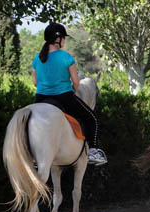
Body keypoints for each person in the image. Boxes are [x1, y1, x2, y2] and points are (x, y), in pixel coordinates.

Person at [31, 22, 107, 166]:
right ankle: (93, 152)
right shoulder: (66, 57)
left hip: (40, 98)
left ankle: (32, 154)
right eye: (63, 38)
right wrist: (69, 86)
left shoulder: (37, 58)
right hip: (63, 97)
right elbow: (76, 84)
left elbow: (35, 82)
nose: (64, 41)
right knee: (92, 119)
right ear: (58, 39)